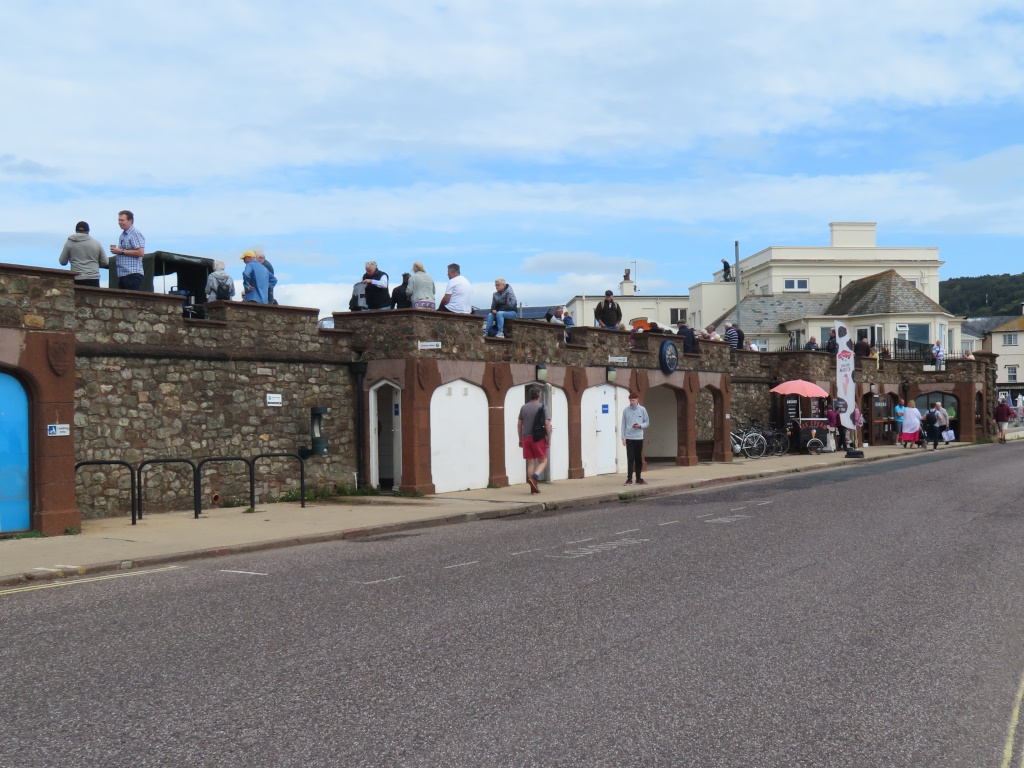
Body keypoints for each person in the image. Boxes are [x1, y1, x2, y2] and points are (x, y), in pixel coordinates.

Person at [517, 387, 550, 494]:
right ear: (539, 396)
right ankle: (534, 478)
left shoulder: (523, 408)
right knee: (543, 461)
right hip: (538, 438)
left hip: (526, 437)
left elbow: (519, 424)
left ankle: (533, 487)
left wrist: (520, 438)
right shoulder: (543, 407)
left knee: (531, 462)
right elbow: (547, 423)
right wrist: (548, 438)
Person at [58, 221, 108, 287]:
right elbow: (105, 262)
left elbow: (62, 261)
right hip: (93, 278)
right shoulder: (96, 243)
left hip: (76, 277)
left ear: (76, 231)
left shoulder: (69, 243)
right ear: (88, 231)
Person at [109, 209, 145, 291]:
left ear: (130, 221)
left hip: (132, 274)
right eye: (119, 220)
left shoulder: (135, 233)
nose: (120, 222)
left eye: (122, 220)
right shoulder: (123, 235)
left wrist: (121, 251)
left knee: (132, 301)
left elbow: (141, 252)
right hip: (123, 274)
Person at [621, 392, 650, 485]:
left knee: (638, 458)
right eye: (630, 400)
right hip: (629, 437)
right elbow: (623, 425)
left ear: (637, 400)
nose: (631, 402)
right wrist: (623, 438)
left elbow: (647, 422)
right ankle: (629, 479)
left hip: (638, 437)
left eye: (633, 400)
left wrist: (640, 425)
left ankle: (638, 478)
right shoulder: (626, 410)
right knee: (630, 458)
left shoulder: (642, 410)